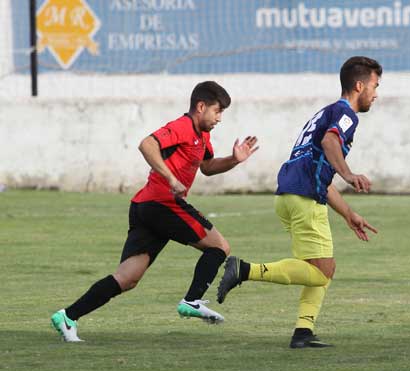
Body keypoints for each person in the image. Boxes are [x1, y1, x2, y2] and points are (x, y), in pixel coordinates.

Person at [51, 81, 259, 342]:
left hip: (145, 206)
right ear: (201, 106)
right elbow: (147, 144)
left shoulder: (202, 135)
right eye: (217, 111)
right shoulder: (182, 126)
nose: (219, 118)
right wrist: (171, 178)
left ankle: (68, 316)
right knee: (220, 247)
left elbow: (207, 167)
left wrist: (234, 160)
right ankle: (192, 300)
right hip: (162, 203)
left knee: (127, 278)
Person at [216, 56, 382, 348]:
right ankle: (243, 270)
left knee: (321, 267)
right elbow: (330, 143)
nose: (376, 93)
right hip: (304, 198)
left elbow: (320, 172)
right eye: (374, 86)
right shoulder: (346, 114)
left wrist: (348, 213)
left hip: (290, 194)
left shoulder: (325, 113)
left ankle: (303, 332)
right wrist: (348, 174)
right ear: (359, 86)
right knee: (321, 271)